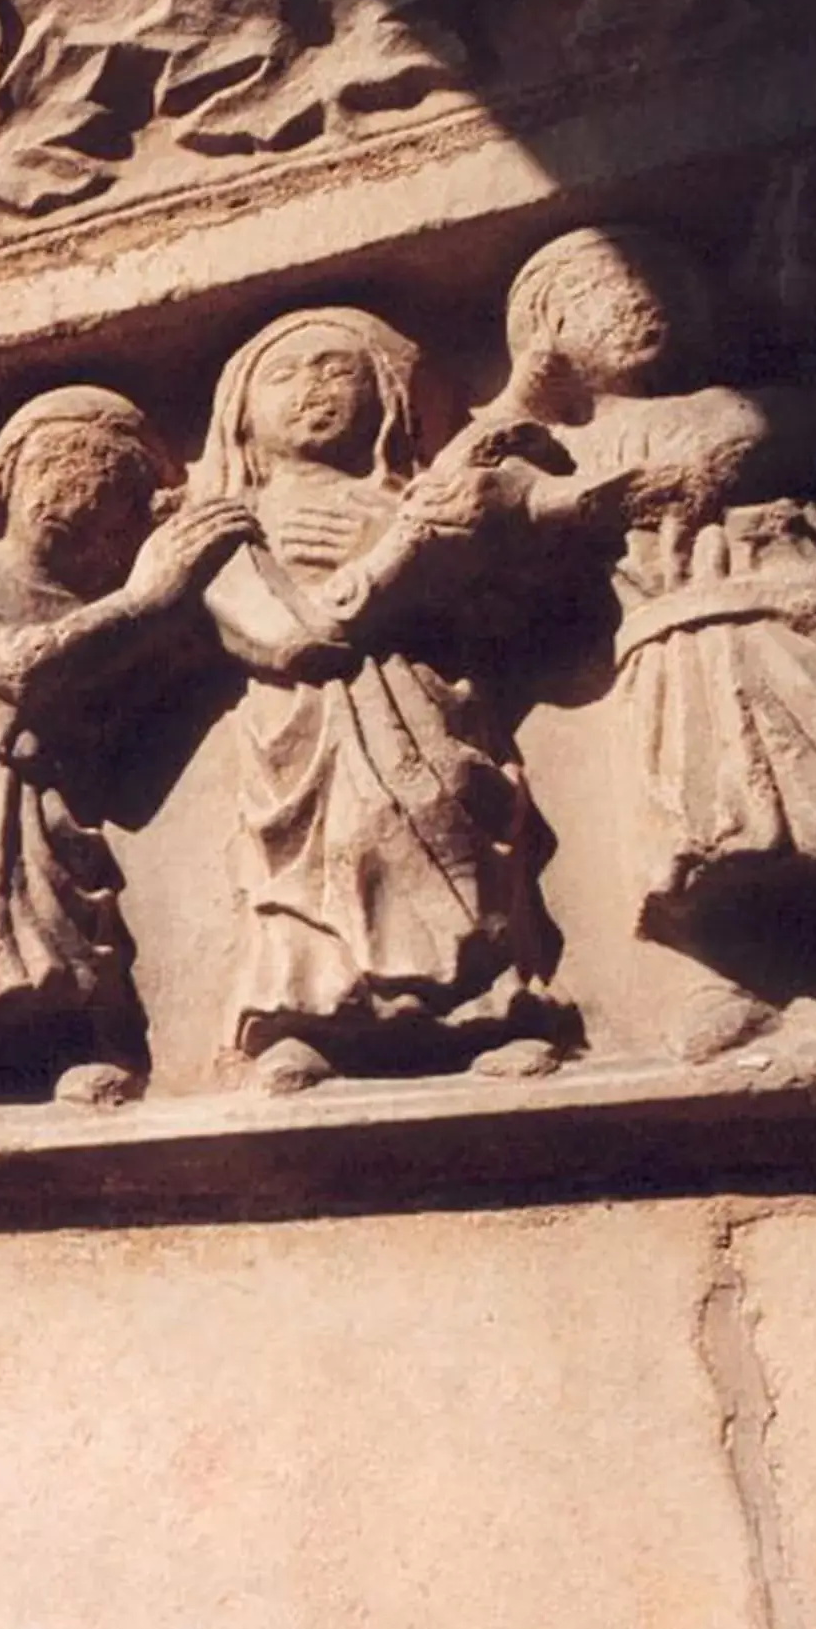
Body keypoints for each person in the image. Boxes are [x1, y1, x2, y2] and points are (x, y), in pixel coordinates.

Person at [488, 225, 816, 1055]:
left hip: (793, 624)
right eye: (592, 298)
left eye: (648, 282)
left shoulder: (739, 404)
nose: (629, 305)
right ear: (551, 341)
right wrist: (520, 401)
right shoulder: (570, 447)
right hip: (675, 649)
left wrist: (691, 476)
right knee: (703, 819)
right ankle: (727, 979)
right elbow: (477, 499)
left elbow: (794, 437)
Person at [191, 307, 562, 1090]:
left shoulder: (423, 497)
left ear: (388, 395)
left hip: (423, 700)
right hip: (305, 724)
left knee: (446, 830)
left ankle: (486, 1010)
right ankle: (304, 1021)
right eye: (284, 377)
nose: (311, 391)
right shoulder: (230, 522)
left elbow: (492, 611)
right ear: (243, 417)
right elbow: (290, 636)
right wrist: (401, 552)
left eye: (335, 368)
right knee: (318, 860)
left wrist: (429, 537)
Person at [0, 386, 254, 1114]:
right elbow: (19, 666)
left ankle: (69, 1047)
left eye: (102, 481)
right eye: (51, 465)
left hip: (48, 792)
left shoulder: (88, 613)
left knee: (52, 920)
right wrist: (146, 599)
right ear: (4, 477)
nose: (70, 490)